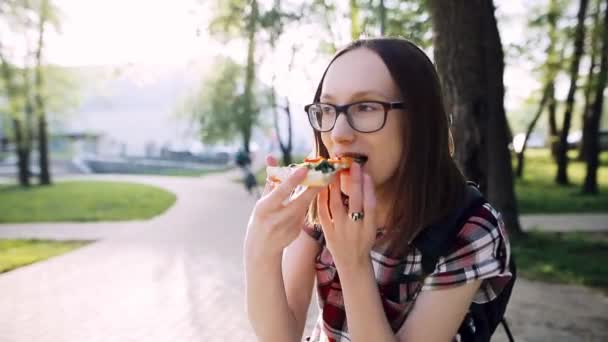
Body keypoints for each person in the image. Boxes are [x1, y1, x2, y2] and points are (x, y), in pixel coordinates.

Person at [244, 38, 513, 342]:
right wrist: (259, 251)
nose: (338, 134)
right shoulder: (324, 198)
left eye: (366, 107)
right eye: (328, 109)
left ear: (420, 122)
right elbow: (280, 336)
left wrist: (352, 263)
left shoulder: (469, 228)